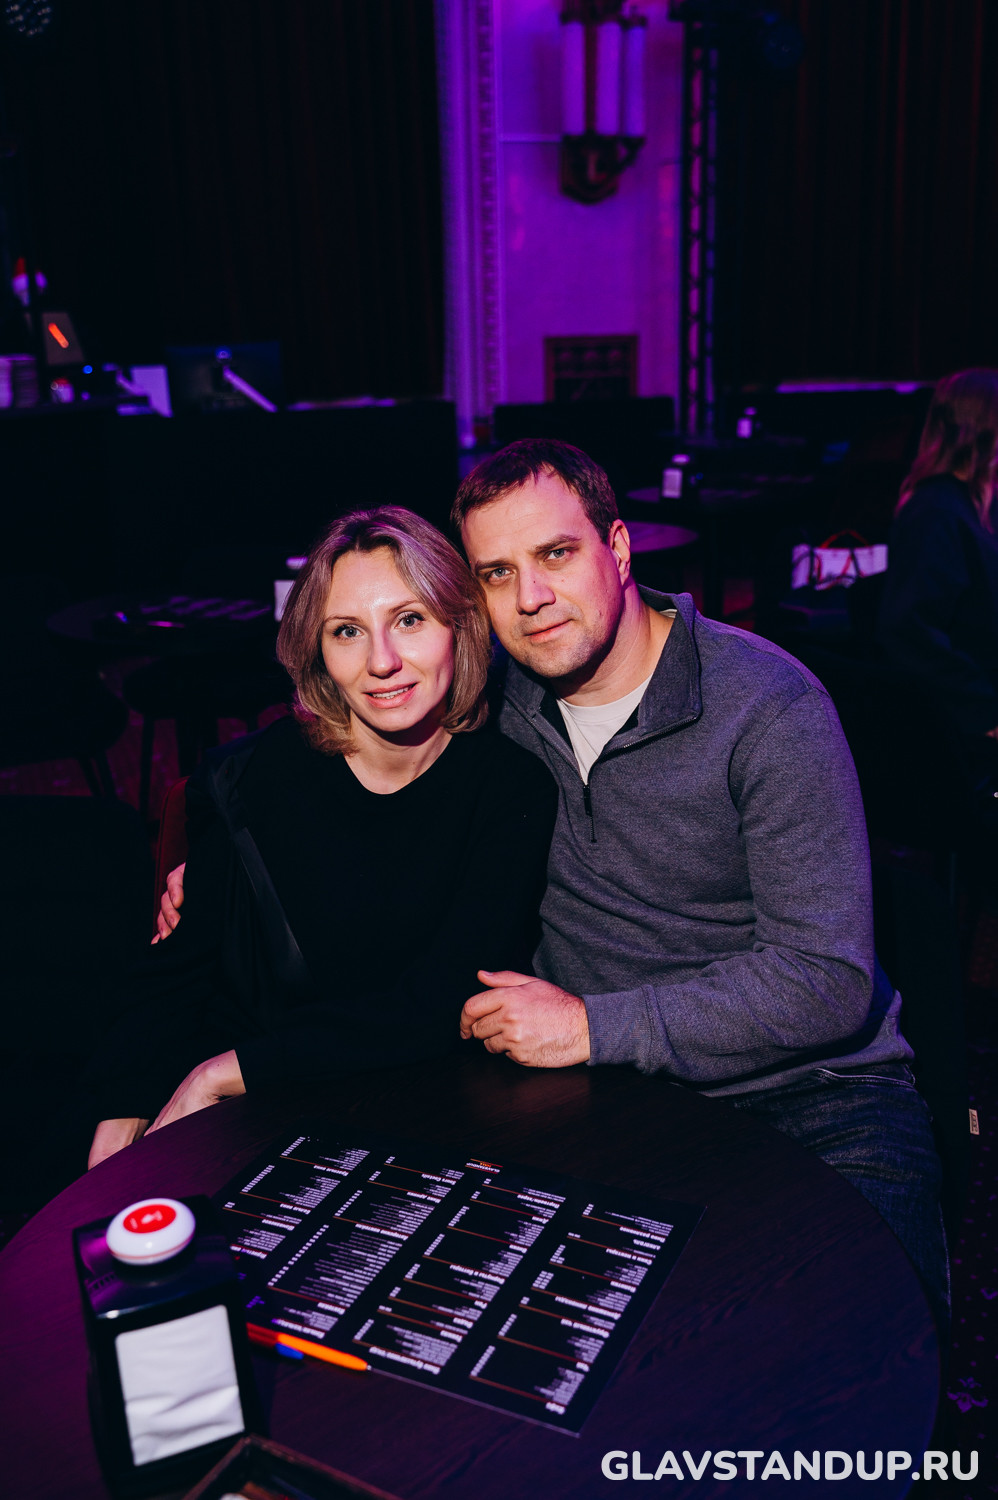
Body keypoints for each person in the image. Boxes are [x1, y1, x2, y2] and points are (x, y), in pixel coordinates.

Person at [159, 443, 948, 1325]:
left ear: (619, 547)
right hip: (603, 1101)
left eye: (556, 554)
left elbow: (826, 980)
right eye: (497, 573)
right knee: (514, 1343)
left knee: (869, 1345)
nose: (530, 597)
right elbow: (340, 742)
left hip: (815, 1096)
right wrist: (226, 861)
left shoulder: (769, 708)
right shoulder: (490, 691)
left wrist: (589, 1025)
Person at [88, 505, 555, 1169]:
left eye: (410, 620)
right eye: (347, 631)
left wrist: (222, 1073)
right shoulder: (250, 777)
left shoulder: (510, 789)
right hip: (258, 1111)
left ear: (461, 625)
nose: (382, 661)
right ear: (319, 651)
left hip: (427, 1105)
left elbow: (439, 1001)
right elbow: (178, 971)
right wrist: (123, 1107)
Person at [878, 368, 998, 788]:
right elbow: (909, 632)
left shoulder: (978, 503)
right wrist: (983, 712)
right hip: (969, 716)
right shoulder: (936, 511)